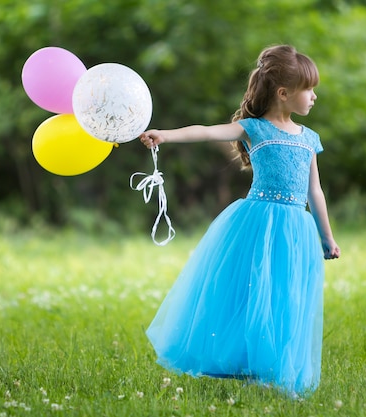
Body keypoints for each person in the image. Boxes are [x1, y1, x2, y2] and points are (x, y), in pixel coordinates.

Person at [139, 44, 340, 396]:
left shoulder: (309, 139)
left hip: (295, 229)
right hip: (257, 223)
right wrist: (166, 135)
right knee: (254, 292)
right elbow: (206, 130)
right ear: (283, 93)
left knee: (287, 296)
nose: (314, 97)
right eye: (309, 89)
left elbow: (315, 192)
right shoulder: (253, 128)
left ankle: (278, 372)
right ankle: (253, 367)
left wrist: (327, 237)